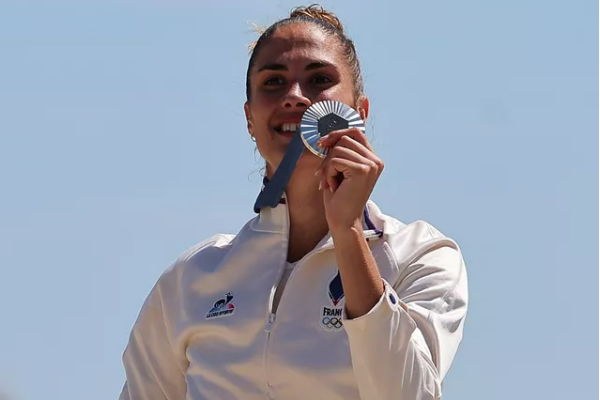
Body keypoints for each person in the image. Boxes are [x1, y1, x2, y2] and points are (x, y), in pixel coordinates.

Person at [119, 4, 468, 400]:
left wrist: (347, 230)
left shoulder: (421, 256)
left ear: (360, 113)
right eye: (274, 82)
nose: (295, 97)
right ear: (250, 119)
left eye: (319, 79)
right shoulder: (190, 279)